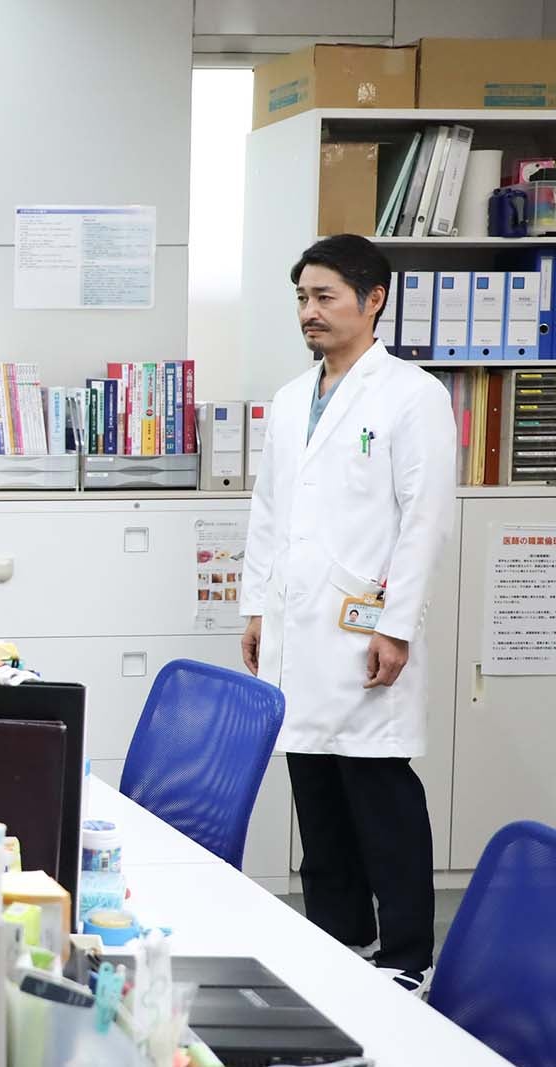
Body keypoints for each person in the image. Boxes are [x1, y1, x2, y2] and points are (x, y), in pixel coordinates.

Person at [239, 234, 456, 996]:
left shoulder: (412, 396)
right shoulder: (290, 400)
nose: (310, 310)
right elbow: (269, 511)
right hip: (296, 630)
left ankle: (407, 955)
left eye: (325, 296)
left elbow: (424, 519)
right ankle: (339, 935)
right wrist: (256, 605)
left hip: (365, 631)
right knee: (316, 793)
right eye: (302, 297)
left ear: (374, 299)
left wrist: (396, 625)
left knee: (380, 796)